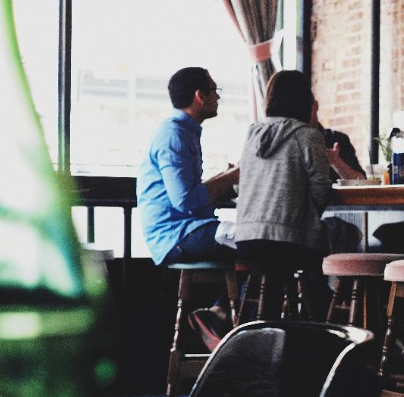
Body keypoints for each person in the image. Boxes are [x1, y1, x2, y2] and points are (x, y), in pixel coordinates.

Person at [234, 70, 360, 319]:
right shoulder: (308, 136)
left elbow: (240, 185)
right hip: (288, 242)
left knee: (283, 265)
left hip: (247, 241)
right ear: (304, 100)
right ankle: (321, 325)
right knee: (341, 236)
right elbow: (321, 190)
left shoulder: (252, 134)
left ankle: (270, 331)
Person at [137, 66, 240, 348]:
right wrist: (232, 177)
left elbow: (187, 193)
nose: (218, 97)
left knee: (256, 241)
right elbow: (184, 200)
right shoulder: (174, 135)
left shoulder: (183, 131)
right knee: (257, 241)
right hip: (176, 234)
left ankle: (220, 314)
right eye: (214, 91)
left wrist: (224, 177)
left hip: (185, 229)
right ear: (200, 96)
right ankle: (224, 319)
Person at [311, 97, 367, 182]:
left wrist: (336, 162)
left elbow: (362, 181)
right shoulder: (289, 142)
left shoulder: (338, 139)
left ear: (316, 105)